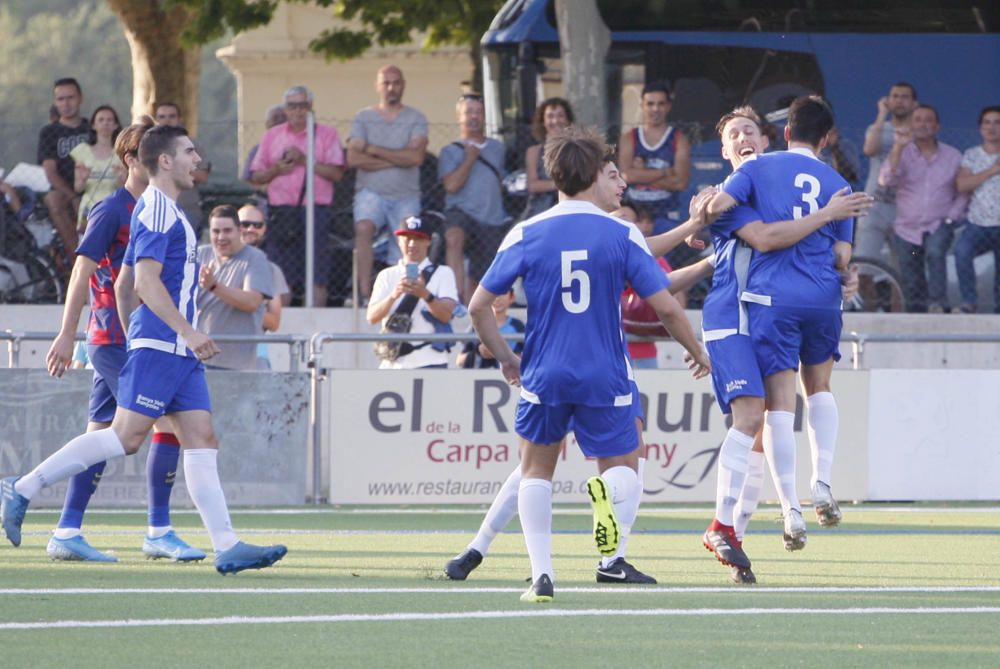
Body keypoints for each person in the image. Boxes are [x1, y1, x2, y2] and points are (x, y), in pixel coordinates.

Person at [2, 124, 287, 574]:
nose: (198, 159)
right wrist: (179, 332)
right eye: (190, 151)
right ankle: (22, 487)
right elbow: (145, 281)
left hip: (174, 350)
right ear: (166, 161)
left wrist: (151, 331)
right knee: (124, 438)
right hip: (164, 347)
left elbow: (123, 284)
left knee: (201, 438)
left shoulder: (164, 208)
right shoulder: (155, 208)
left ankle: (226, 545)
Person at [467, 126, 710, 602]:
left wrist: (507, 357)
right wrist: (697, 349)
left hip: (544, 371)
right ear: (592, 176)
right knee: (624, 468)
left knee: (536, 471)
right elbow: (664, 307)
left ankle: (543, 575)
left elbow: (478, 306)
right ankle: (606, 532)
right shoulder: (621, 232)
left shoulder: (526, 232)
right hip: (605, 372)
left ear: (554, 174)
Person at [701, 106, 871, 583]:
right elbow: (840, 257)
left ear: (779, 134)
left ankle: (778, 512)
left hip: (765, 304)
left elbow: (746, 229)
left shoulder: (754, 174)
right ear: (828, 137)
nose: (743, 140)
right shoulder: (837, 182)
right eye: (733, 133)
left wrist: (706, 210)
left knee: (765, 415)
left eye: (749, 131)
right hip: (809, 299)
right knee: (812, 392)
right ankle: (817, 485)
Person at [41, 116, 202, 563]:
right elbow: (82, 272)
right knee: (170, 425)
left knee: (101, 435)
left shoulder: (161, 209)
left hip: (135, 340)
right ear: (133, 160)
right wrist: (66, 334)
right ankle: (159, 530)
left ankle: (67, 530)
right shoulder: (114, 209)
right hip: (116, 339)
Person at [250, 86, 345, 307]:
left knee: (317, 271)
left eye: (303, 105)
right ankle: (280, 323)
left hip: (315, 210)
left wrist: (306, 161)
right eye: (293, 106)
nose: (298, 111)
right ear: (285, 109)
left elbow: (337, 173)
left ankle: (315, 322)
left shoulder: (327, 135)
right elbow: (256, 175)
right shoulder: (272, 136)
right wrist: (276, 170)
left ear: (311, 107)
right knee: (281, 273)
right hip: (281, 212)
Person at [348, 65, 428, 305]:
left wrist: (372, 151)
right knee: (363, 228)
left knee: (409, 245)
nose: (391, 87)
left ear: (403, 85)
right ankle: (363, 293)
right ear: (377, 86)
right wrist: (398, 159)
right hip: (370, 192)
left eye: (396, 82)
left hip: (406, 195)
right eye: (386, 83)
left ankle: (407, 293)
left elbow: (416, 158)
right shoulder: (363, 117)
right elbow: (353, 159)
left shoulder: (416, 118)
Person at [878, 104, 968, 313]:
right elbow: (886, 180)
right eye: (918, 120)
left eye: (928, 120)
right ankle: (915, 316)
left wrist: (951, 217)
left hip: (939, 224)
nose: (923, 124)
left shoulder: (953, 155)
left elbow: (963, 191)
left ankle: (938, 306)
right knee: (910, 275)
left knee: (936, 253)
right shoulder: (901, 152)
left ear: (937, 126)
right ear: (911, 125)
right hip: (906, 228)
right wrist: (898, 146)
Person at [366, 215, 459, 369]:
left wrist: (425, 295)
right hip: (393, 362)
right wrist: (393, 295)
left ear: (428, 242)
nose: (411, 244)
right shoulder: (387, 275)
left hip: (431, 360)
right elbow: (371, 317)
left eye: (418, 239)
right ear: (398, 241)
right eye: (406, 238)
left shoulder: (443, 273)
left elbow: (446, 315)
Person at [440, 94, 507, 303]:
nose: (474, 117)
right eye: (469, 112)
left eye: (479, 112)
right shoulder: (449, 151)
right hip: (460, 212)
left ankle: (470, 306)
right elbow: (451, 186)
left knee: (481, 272)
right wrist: (469, 159)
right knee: (454, 237)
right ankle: (454, 296)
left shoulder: (498, 148)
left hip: (491, 217)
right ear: (459, 116)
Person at [196, 205, 274, 371]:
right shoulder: (200, 254)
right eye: (216, 231)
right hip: (198, 362)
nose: (221, 237)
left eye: (227, 231)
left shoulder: (255, 258)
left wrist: (214, 286)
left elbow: (252, 302)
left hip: (238, 367)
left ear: (239, 231)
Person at [855, 83, 918, 266]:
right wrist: (882, 114)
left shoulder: (919, 132)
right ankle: (868, 296)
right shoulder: (877, 128)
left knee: (904, 265)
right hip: (874, 204)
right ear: (888, 101)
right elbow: (869, 149)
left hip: (906, 206)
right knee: (864, 262)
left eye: (905, 97)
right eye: (895, 96)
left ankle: (898, 295)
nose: (899, 101)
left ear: (914, 103)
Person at [619, 81, 692, 239]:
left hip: (665, 216)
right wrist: (666, 172)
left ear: (668, 106)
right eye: (650, 104)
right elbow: (626, 176)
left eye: (660, 104)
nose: (655, 109)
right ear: (642, 105)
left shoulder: (678, 139)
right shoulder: (629, 138)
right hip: (634, 215)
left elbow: (680, 183)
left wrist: (640, 175)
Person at [954, 106, 1000, 313]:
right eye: (987, 123)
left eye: (997, 122)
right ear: (980, 128)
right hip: (978, 223)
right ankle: (969, 301)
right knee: (962, 252)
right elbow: (962, 185)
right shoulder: (972, 155)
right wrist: (993, 170)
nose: (992, 127)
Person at [38, 77, 91, 256]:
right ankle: (78, 258)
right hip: (64, 190)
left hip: (94, 186)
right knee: (53, 199)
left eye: (70, 97)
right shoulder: (49, 132)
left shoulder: (92, 129)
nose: (66, 103)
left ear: (80, 98)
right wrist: (73, 197)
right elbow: (50, 172)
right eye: (61, 99)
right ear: (55, 102)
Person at [614, 203, 671, 369]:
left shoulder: (656, 259)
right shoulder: (599, 257)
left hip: (645, 352)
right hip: (612, 352)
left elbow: (672, 292)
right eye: (620, 218)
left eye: (632, 220)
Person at [239, 203, 291, 369]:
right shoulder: (211, 263)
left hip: (256, 355)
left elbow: (274, 322)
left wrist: (235, 306)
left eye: (257, 225)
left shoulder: (271, 270)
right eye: (245, 224)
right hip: (214, 354)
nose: (251, 229)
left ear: (264, 229)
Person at [153, 102, 212, 238]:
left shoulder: (192, 145)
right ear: (156, 120)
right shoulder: (148, 146)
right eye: (161, 117)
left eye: (171, 116)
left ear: (180, 119)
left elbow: (203, 176)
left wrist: (173, 167)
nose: (166, 121)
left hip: (186, 210)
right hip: (156, 210)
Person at [70, 105, 123, 228]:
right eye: (101, 120)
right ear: (93, 125)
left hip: (114, 208)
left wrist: (122, 180)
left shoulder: (121, 154)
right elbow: (78, 188)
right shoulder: (82, 151)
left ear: (116, 125)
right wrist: (82, 179)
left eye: (110, 120)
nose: (105, 123)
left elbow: (125, 189)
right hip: (89, 208)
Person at [521, 98, 574, 220]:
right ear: (543, 121)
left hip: (569, 208)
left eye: (560, 115)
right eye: (550, 116)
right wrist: (562, 185)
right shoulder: (533, 152)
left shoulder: (577, 150)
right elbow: (533, 185)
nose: (555, 121)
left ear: (567, 120)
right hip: (540, 210)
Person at [456, 288, 524, 369]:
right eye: (493, 294)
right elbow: (459, 360)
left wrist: (501, 355)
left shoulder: (518, 326)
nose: (498, 298)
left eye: (503, 293)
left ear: (512, 297)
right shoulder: (477, 325)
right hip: (481, 378)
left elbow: (529, 357)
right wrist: (478, 352)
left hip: (510, 378)